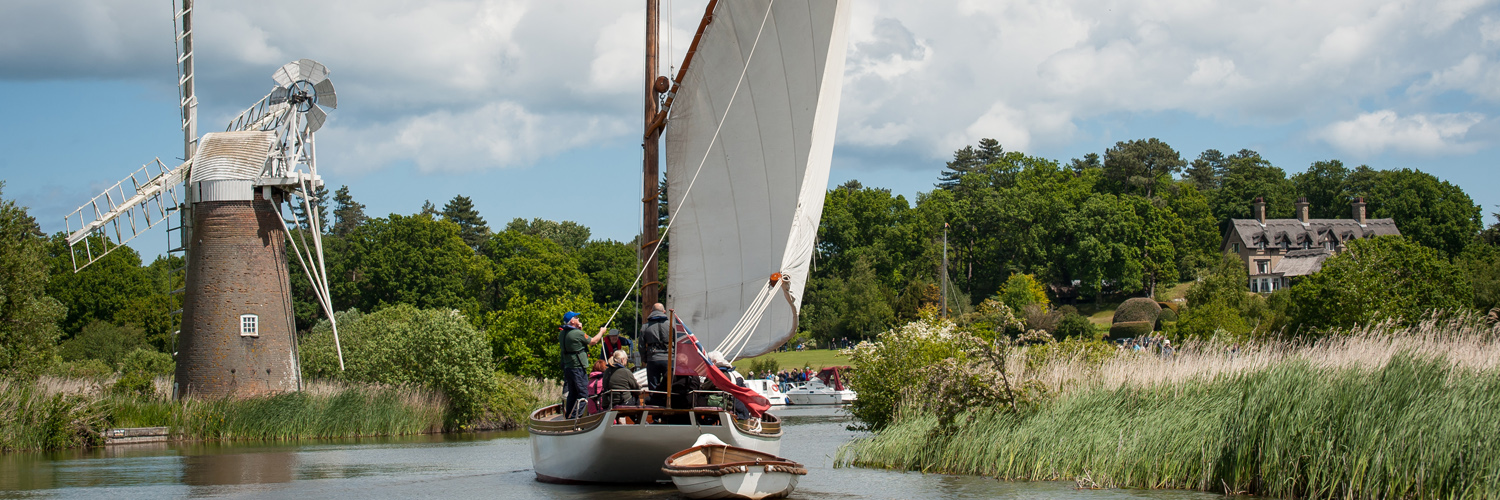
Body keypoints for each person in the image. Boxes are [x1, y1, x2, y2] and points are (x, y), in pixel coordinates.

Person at [559, 311, 606, 418]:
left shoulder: (562, 334)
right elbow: (593, 341)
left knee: (572, 393)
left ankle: (569, 416)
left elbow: (577, 341)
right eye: (576, 317)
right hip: (578, 368)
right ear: (572, 321)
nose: (579, 319)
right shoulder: (577, 334)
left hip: (568, 367)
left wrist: (579, 330)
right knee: (584, 393)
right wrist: (602, 332)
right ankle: (577, 417)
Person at [639, 303, 671, 406]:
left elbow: (641, 346)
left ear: (651, 311)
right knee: (670, 386)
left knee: (653, 389)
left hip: (653, 359)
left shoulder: (645, 327)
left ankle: (656, 415)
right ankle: (669, 409)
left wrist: (645, 359)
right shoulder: (671, 325)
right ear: (664, 311)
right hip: (669, 359)